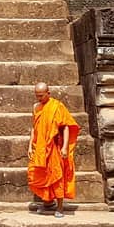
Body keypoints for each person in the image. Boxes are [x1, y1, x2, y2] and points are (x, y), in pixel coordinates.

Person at [27, 82, 79, 218]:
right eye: (37, 96)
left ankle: (60, 207)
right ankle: (47, 203)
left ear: (48, 93)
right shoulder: (35, 107)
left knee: (56, 176)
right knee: (39, 174)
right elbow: (34, 128)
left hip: (54, 147)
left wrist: (65, 147)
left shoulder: (57, 106)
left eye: (41, 96)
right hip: (40, 147)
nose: (39, 98)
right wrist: (29, 145)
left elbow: (66, 127)